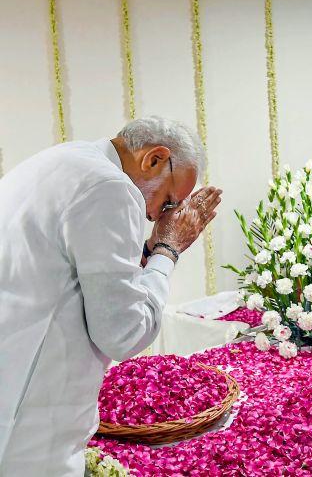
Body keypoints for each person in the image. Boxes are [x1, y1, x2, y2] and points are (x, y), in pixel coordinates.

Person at [0, 116, 222, 475]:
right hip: (30, 416)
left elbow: (93, 275)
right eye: (167, 202)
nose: (155, 215)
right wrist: (168, 251)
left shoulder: (67, 160)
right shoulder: (110, 187)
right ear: (154, 158)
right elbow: (123, 332)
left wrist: (150, 251)